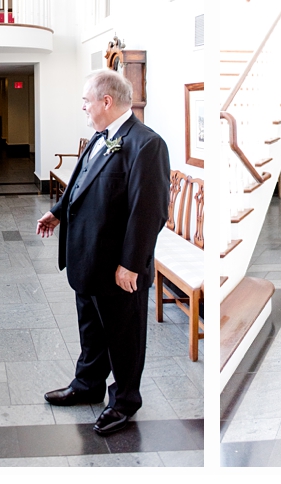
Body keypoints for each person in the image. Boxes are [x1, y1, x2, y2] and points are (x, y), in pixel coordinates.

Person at [36, 70, 170, 435]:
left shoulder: (145, 144)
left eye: (86, 101)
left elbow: (150, 211)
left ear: (106, 101)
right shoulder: (101, 137)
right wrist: (59, 211)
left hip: (117, 267)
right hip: (86, 258)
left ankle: (125, 401)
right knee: (91, 328)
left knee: (124, 336)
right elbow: (82, 182)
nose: (83, 107)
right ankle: (88, 384)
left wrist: (130, 264)